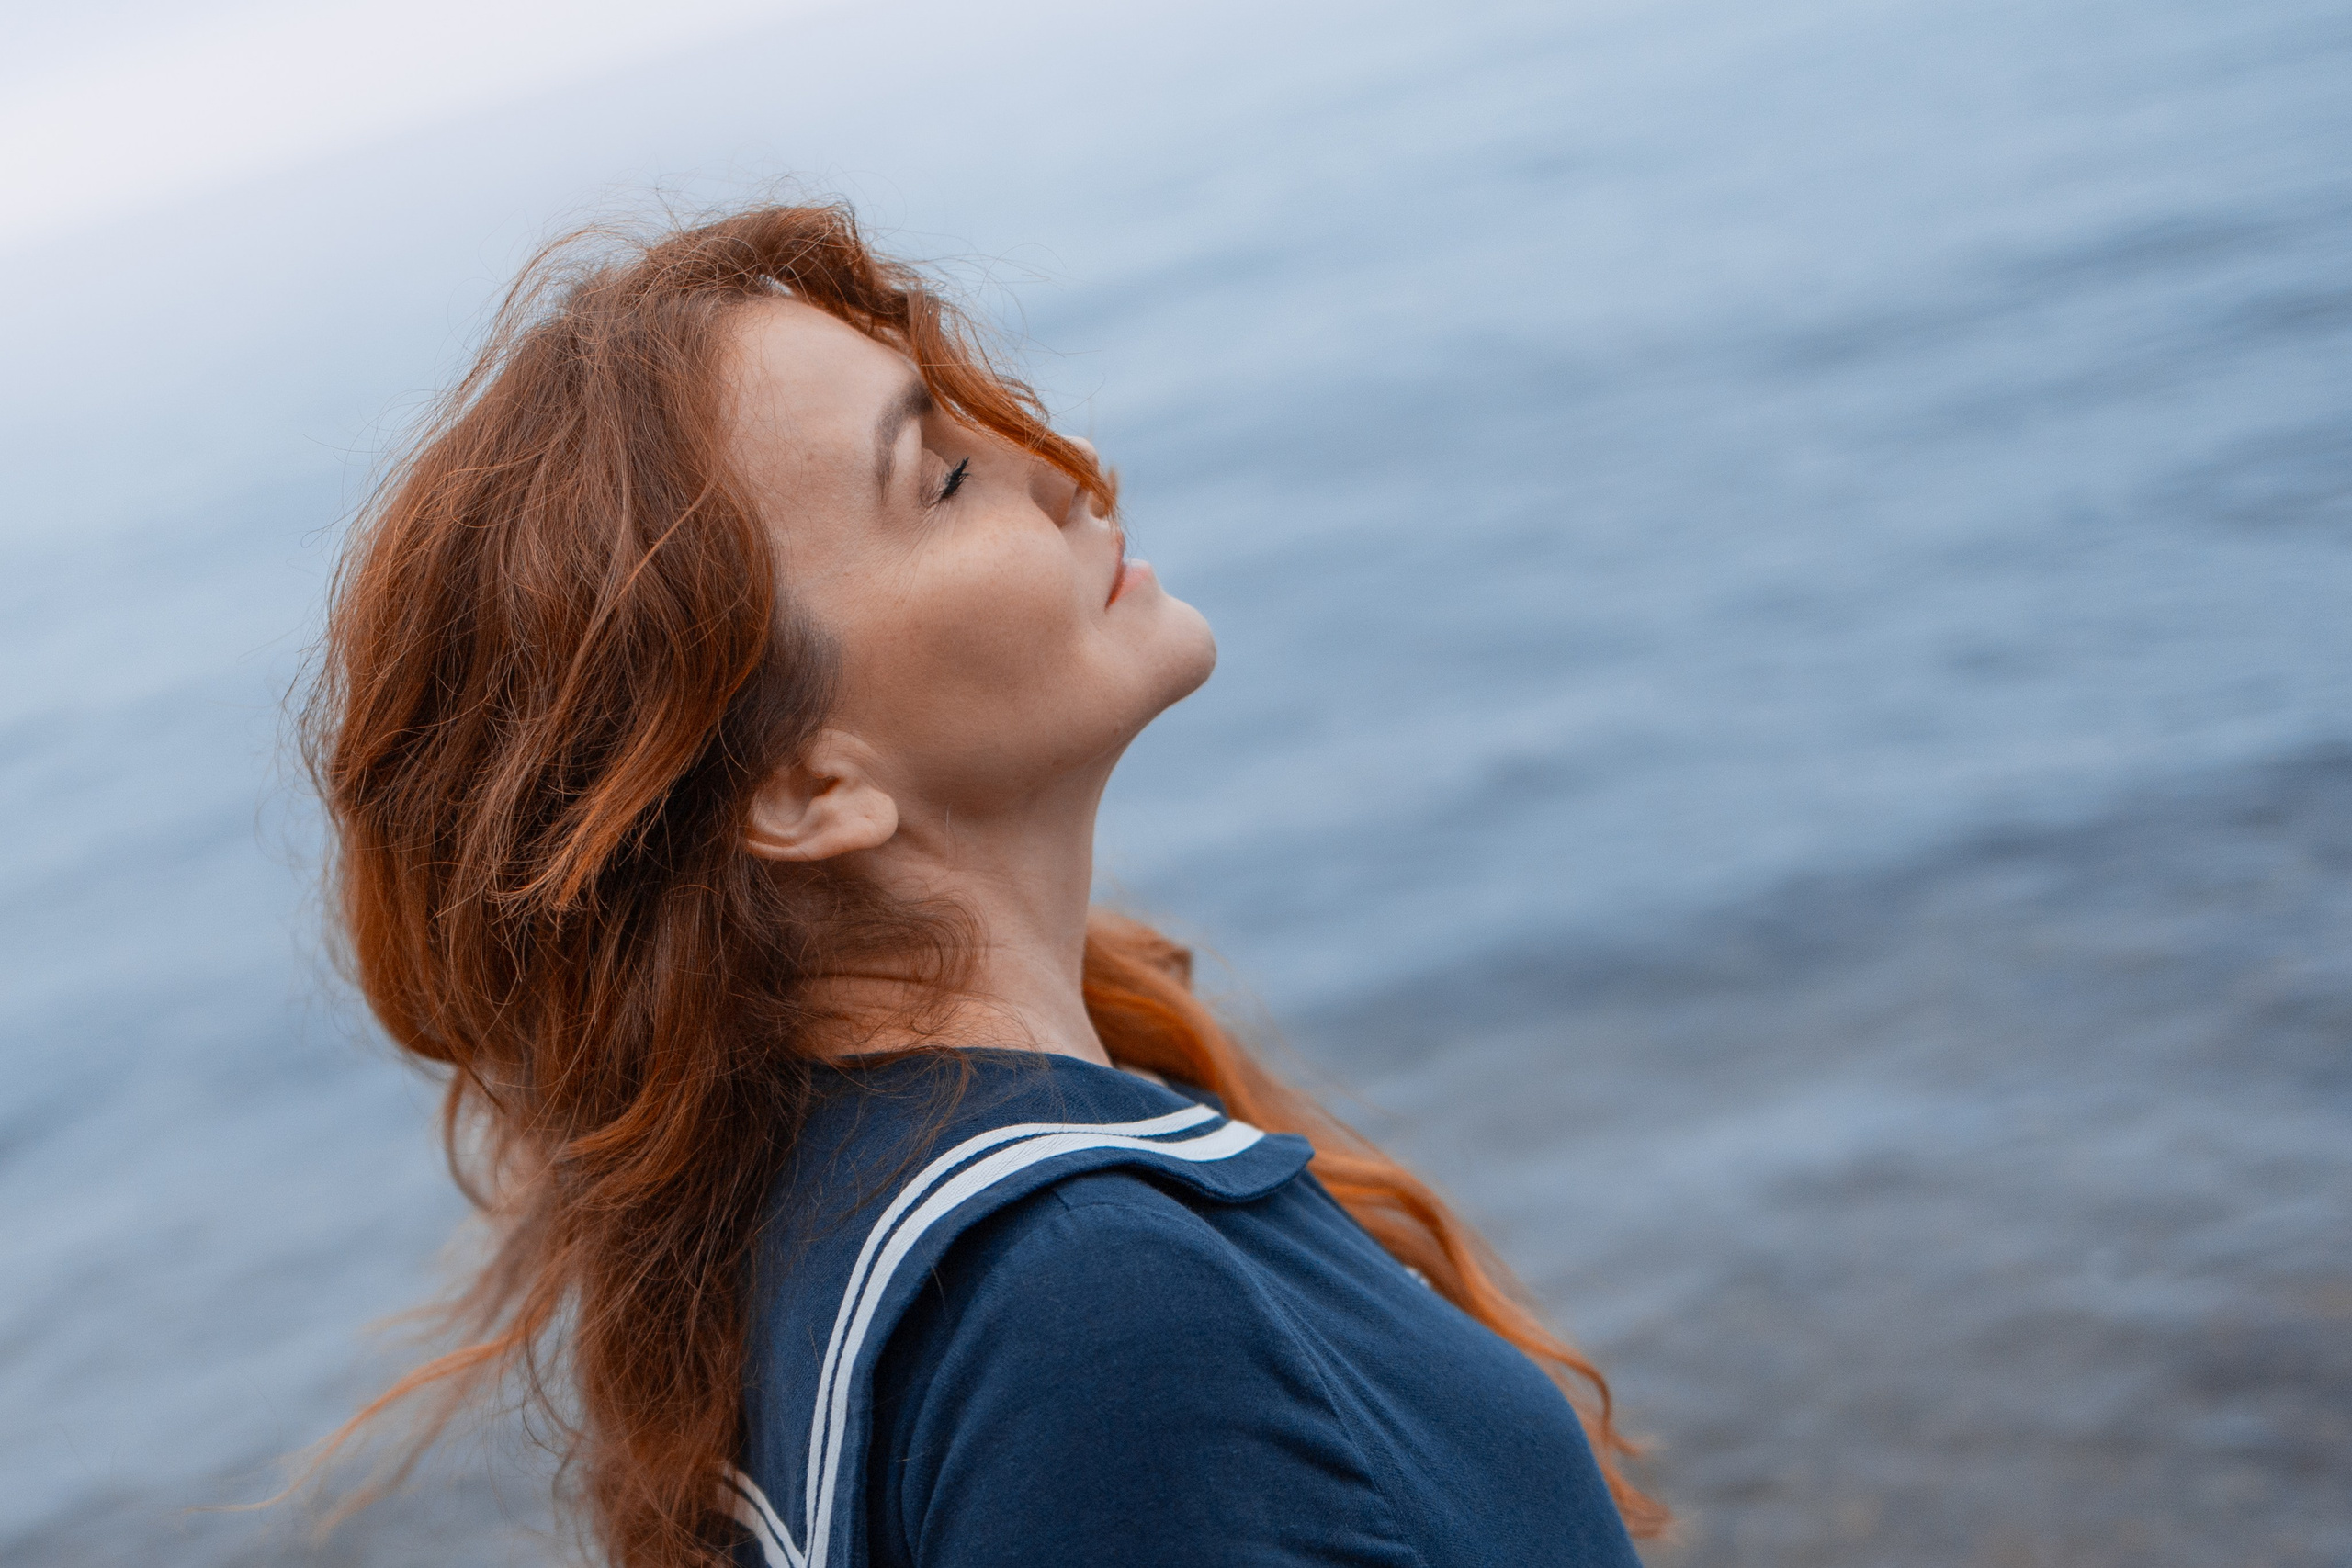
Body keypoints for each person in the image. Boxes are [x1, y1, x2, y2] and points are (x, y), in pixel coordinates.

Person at [304, 201, 1668, 1567]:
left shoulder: (819, 1239)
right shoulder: (1095, 1310)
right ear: (798, 784)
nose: (1055, 464)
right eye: (939, 478)